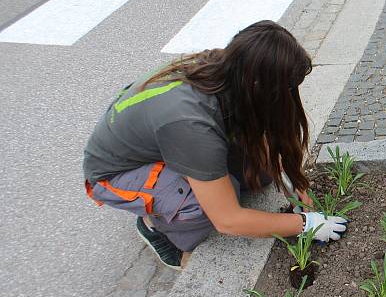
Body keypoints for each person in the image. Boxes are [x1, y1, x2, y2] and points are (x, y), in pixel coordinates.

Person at [83, 20, 346, 270]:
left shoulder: (231, 66)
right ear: (256, 86)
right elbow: (229, 220)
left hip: (166, 140)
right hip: (116, 174)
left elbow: (260, 135)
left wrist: (294, 183)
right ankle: (155, 228)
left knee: (259, 174)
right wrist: (304, 223)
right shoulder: (191, 124)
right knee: (208, 202)